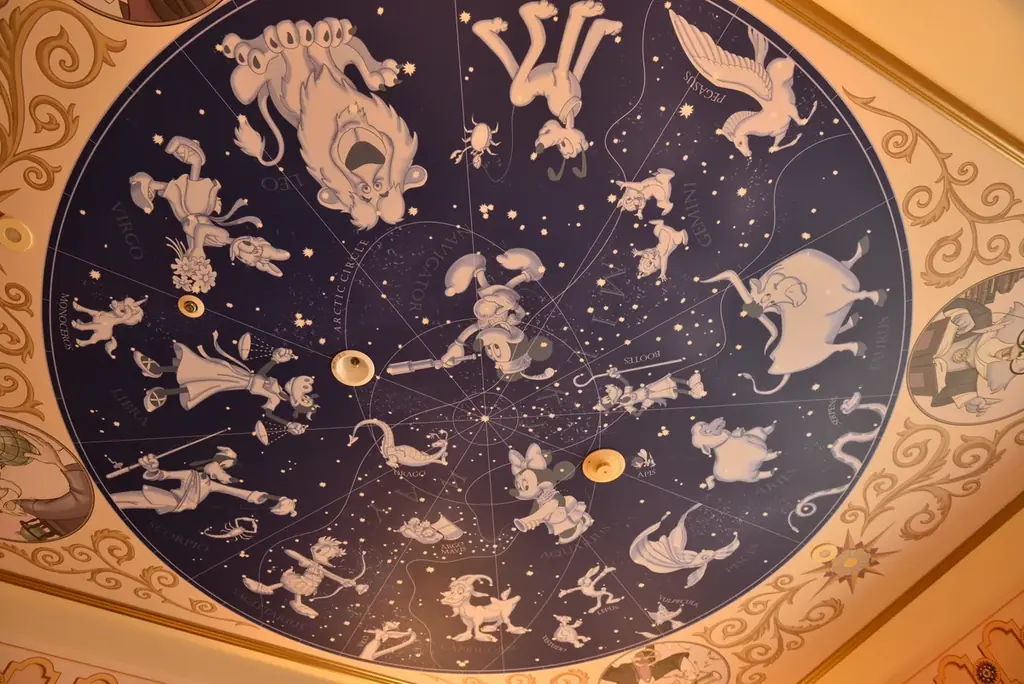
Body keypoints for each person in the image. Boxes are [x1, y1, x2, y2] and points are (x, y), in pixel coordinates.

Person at [908, 298, 1024, 416]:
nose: (1008, 356)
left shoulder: (965, 385)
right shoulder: (980, 316)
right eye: (1015, 349)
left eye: (1015, 359)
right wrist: (960, 312)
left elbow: (948, 395)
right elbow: (942, 300)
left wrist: (969, 402)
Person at [112, 446, 296, 516]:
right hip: (172, 499)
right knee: (123, 500)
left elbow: (242, 494)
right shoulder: (190, 474)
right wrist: (153, 469)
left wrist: (276, 499)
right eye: (221, 464)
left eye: (224, 467)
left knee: (126, 502)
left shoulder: (213, 484)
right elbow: (164, 475)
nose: (220, 468)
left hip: (177, 504)